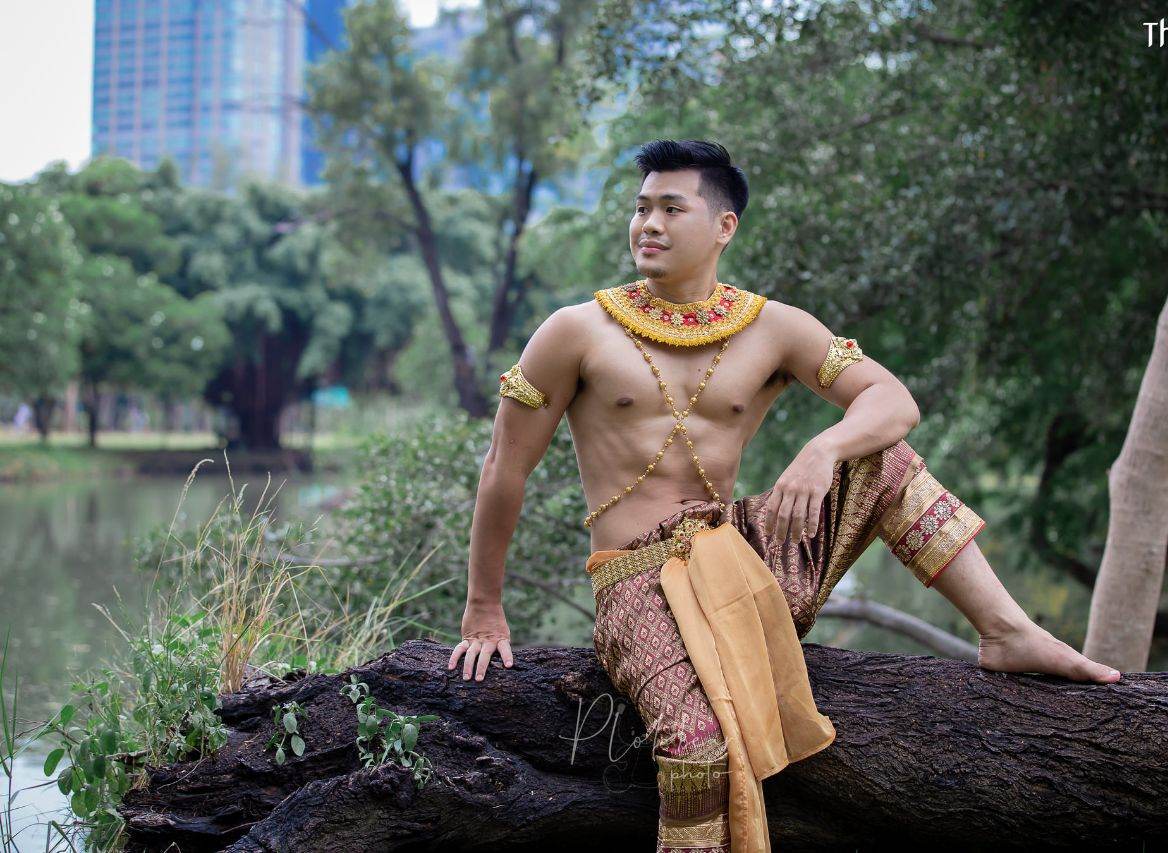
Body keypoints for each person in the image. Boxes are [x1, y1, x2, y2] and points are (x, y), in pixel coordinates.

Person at [448, 139, 1121, 852]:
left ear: (724, 226)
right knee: (696, 748)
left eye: (672, 208)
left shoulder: (771, 326)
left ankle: (1006, 632)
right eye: (641, 207)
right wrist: (484, 607)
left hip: (746, 562)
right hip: (637, 585)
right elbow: (503, 468)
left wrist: (823, 447)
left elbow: (892, 400)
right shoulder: (575, 330)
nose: (648, 223)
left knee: (882, 457)